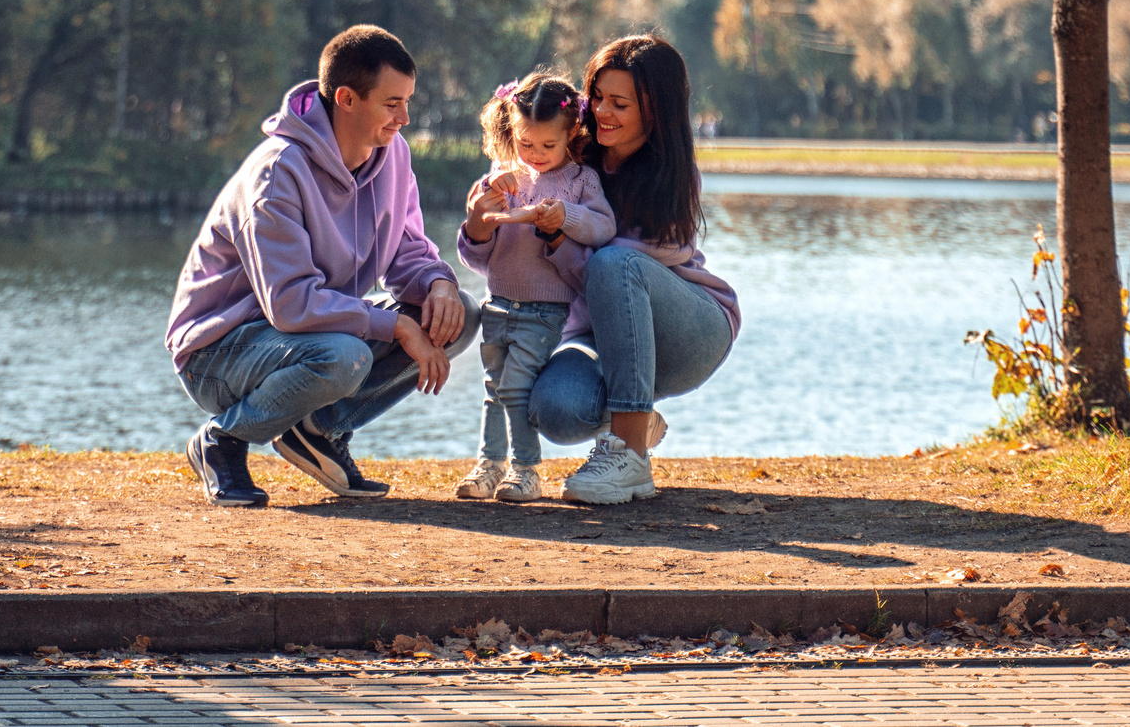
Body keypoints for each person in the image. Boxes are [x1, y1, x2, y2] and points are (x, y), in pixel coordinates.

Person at [165, 25, 473, 508]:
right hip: (219, 350)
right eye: (392, 104)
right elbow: (291, 304)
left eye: (408, 102)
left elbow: (408, 249)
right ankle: (221, 441)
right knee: (343, 356)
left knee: (459, 317)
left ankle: (317, 431)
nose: (405, 118)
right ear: (347, 98)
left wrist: (439, 283)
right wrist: (396, 328)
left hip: (309, 336)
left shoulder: (393, 157)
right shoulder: (277, 173)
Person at [526, 34, 741, 505]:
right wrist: (484, 222)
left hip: (688, 331)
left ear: (654, 110)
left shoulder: (674, 172)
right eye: (597, 97)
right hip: (599, 335)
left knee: (615, 261)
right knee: (554, 411)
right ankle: (635, 416)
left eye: (619, 103)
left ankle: (628, 457)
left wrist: (560, 240)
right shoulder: (572, 161)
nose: (602, 111)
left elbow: (617, 270)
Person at [454, 71, 616, 502]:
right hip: (498, 304)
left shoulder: (581, 182)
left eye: (549, 145)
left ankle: (526, 469)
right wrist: (479, 219)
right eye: (527, 144)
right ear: (512, 132)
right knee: (494, 387)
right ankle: (490, 464)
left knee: (515, 385)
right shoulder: (502, 179)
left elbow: (603, 228)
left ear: (571, 135)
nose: (536, 155)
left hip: (545, 311)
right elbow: (476, 256)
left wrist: (564, 217)